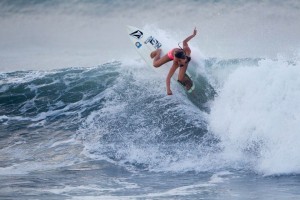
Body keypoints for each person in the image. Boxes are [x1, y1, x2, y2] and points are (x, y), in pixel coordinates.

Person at [150, 28, 197, 95]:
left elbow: (184, 42)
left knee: (180, 79)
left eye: (179, 61)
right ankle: (158, 51)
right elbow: (168, 77)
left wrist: (193, 35)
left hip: (178, 56)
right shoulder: (176, 62)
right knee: (155, 65)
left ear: (184, 58)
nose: (178, 62)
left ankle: (185, 79)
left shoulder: (187, 50)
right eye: (177, 61)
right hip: (171, 54)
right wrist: (168, 89)